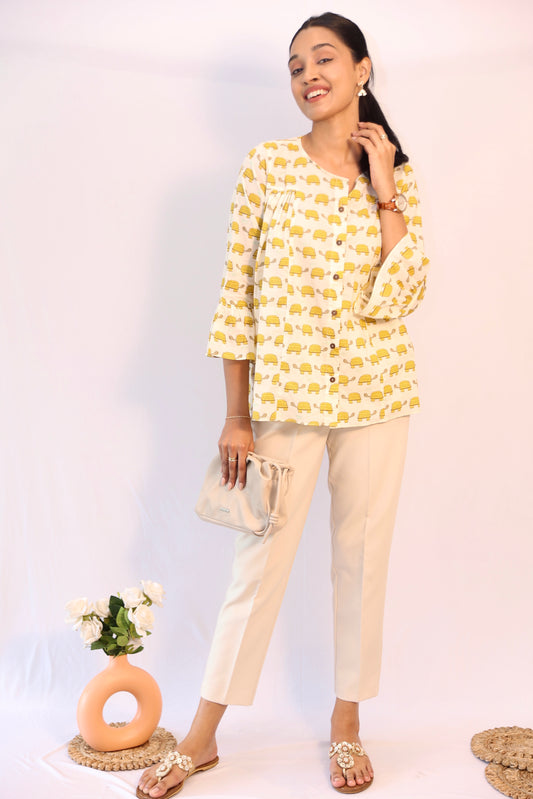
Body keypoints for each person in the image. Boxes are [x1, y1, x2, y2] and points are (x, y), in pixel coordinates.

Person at [136, 11, 429, 798]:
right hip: (285, 397)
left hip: (376, 391)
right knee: (257, 564)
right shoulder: (267, 165)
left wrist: (385, 190)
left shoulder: (393, 173)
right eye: (295, 66)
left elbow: (403, 292)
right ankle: (201, 736)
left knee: (361, 560)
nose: (308, 75)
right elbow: (236, 294)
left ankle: (346, 721)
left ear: (362, 69)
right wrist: (236, 414)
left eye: (323, 58)